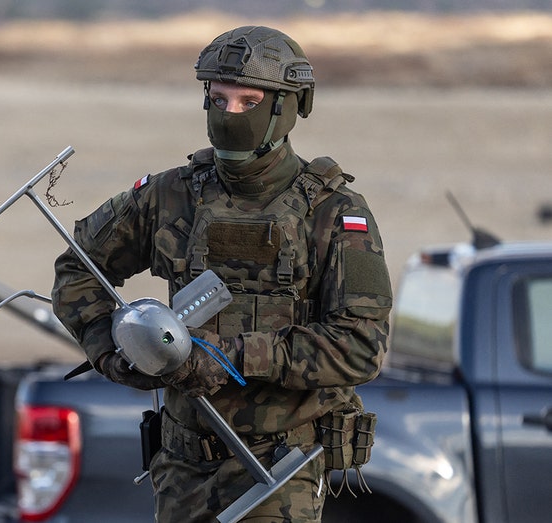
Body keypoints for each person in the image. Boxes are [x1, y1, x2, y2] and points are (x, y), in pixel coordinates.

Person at [52, 26, 391, 522]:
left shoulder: (333, 213)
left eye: (248, 101)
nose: (230, 115)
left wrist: (228, 356)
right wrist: (114, 349)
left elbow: (361, 346)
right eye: (218, 98)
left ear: (288, 107)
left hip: (276, 470)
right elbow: (78, 269)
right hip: (181, 467)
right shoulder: (168, 196)